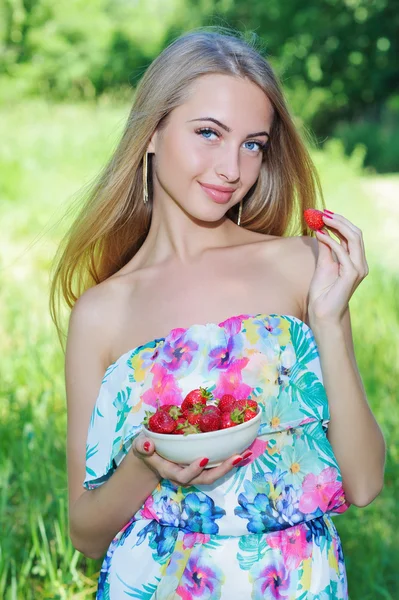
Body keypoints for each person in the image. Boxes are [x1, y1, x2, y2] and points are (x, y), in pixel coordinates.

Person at [50, 29, 386, 599]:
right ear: (152, 132)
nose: (231, 168)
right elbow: (85, 532)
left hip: (296, 579)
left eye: (252, 144)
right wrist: (147, 462)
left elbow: (364, 481)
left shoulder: (300, 265)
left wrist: (328, 321)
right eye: (208, 133)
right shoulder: (103, 312)